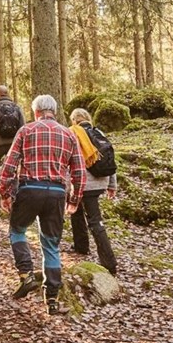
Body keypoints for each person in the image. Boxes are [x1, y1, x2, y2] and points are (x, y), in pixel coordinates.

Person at [0, 95, 86, 315]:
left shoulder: (26, 131)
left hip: (30, 189)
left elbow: (9, 166)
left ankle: (26, 274)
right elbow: (79, 172)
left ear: (36, 112)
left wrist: (5, 193)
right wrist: (74, 200)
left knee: (17, 230)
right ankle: (52, 299)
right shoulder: (69, 134)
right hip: (57, 193)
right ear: (54, 112)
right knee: (51, 244)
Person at [68, 108, 118, 275]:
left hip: (83, 182)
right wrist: (112, 185)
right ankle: (81, 246)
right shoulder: (99, 132)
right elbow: (111, 158)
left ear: (74, 120)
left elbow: (69, 159)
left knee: (94, 220)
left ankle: (109, 262)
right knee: (77, 213)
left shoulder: (73, 133)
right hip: (100, 181)